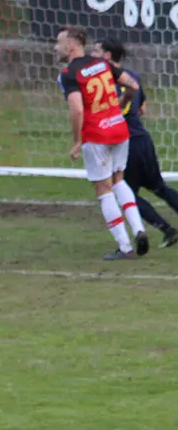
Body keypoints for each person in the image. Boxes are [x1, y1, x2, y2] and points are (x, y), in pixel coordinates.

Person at [56, 28, 148, 259]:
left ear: (71, 46)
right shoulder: (102, 64)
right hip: (119, 128)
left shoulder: (68, 73)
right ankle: (139, 229)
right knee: (119, 180)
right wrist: (122, 102)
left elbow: (77, 108)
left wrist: (77, 141)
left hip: (97, 135)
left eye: (58, 43)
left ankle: (125, 247)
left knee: (103, 190)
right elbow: (133, 86)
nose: (54, 48)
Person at [93, 39, 178, 248]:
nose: (91, 55)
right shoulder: (133, 77)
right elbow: (141, 109)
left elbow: (112, 112)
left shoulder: (106, 82)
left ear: (107, 56)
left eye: (95, 51)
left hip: (125, 142)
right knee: (159, 186)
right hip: (143, 139)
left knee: (126, 192)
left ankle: (167, 229)